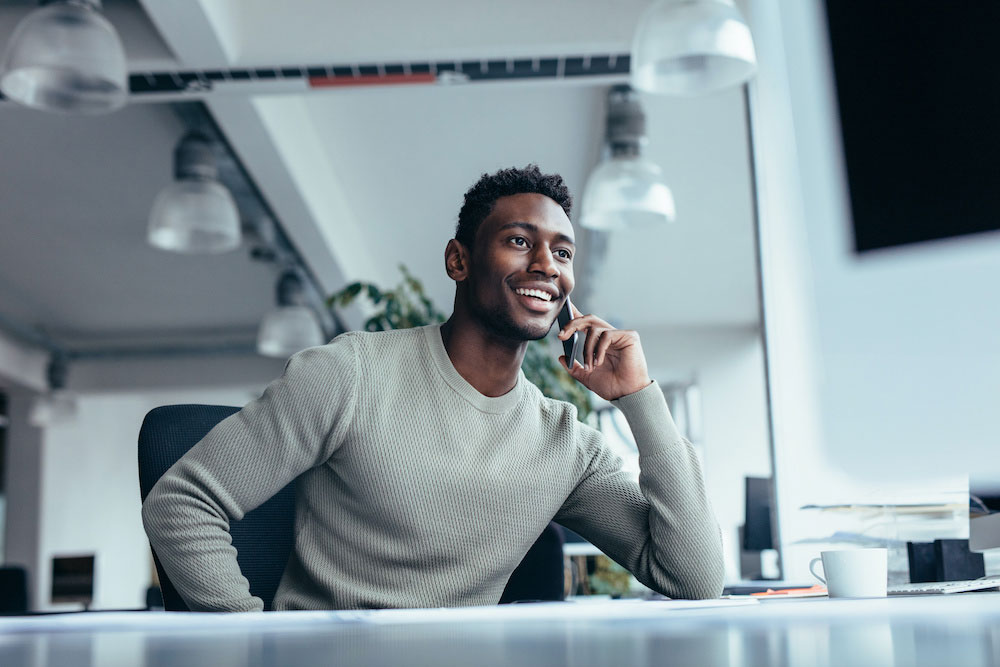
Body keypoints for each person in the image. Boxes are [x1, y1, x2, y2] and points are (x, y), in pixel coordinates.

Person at [142, 165, 725, 612]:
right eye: (521, 241)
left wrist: (640, 397)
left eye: (563, 252)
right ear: (459, 261)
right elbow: (182, 503)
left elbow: (694, 579)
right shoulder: (351, 374)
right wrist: (256, 645)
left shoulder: (565, 446)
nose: (548, 263)